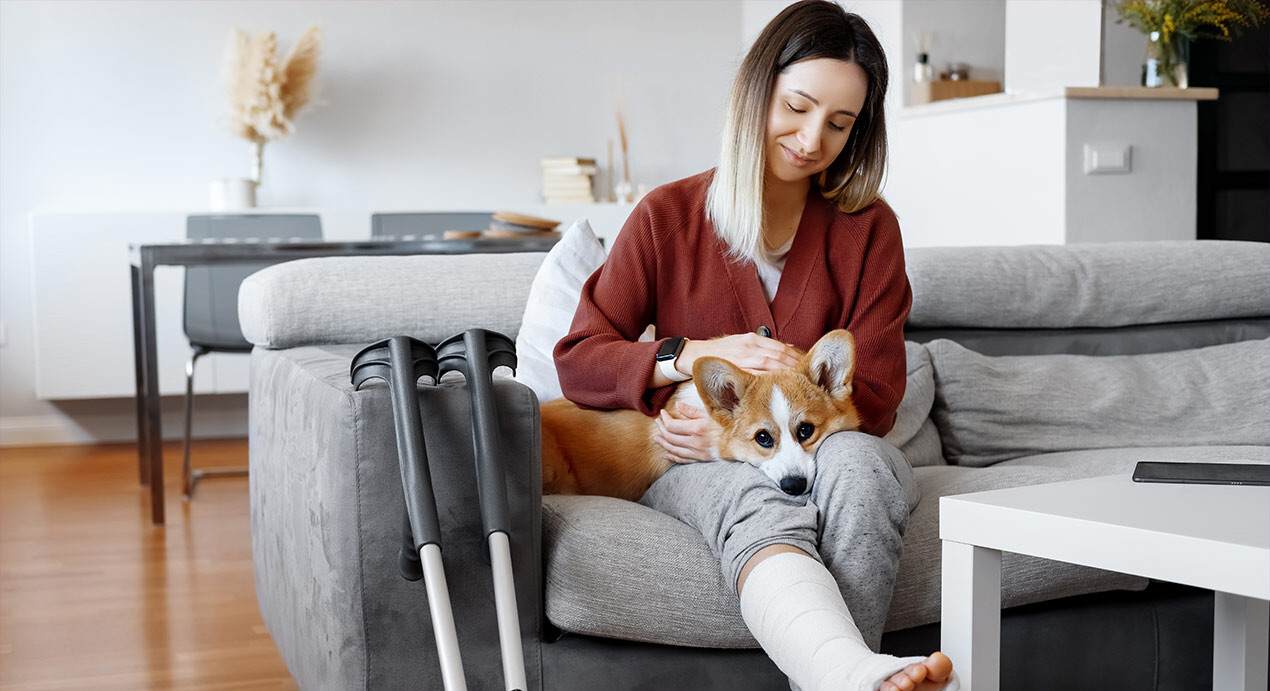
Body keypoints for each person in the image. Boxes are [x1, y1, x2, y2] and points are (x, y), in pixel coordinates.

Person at [554, 2, 957, 690]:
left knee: (860, 470)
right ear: (756, 91)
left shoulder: (869, 228)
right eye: (797, 107)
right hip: (695, 459)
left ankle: (844, 678)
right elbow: (579, 359)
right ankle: (852, 673)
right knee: (754, 497)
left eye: (839, 124)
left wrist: (792, 393)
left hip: (837, 443)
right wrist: (688, 359)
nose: (811, 139)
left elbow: (881, 394)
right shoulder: (665, 218)